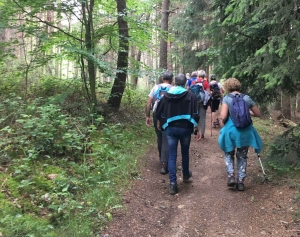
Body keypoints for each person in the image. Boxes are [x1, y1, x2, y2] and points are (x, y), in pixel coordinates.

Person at [155, 74, 199, 195]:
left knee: (172, 156)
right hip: (185, 128)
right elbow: (196, 113)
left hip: (171, 129)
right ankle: (185, 175)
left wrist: (161, 123)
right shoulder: (191, 95)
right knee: (185, 153)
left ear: (175, 82)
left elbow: (159, 112)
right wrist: (196, 128)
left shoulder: (166, 95)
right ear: (185, 83)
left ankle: (173, 184)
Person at [218, 78, 262, 191]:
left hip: (231, 131)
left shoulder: (227, 98)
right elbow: (258, 114)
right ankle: (241, 182)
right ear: (239, 86)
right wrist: (247, 112)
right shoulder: (246, 98)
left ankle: (231, 176)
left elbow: (223, 116)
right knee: (242, 155)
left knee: (229, 153)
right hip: (246, 131)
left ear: (227, 87)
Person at [145, 71, 173, 175]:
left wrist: (148, 116)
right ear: (171, 80)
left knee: (159, 136)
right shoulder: (172, 89)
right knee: (166, 136)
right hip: (168, 115)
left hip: (156, 114)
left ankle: (161, 158)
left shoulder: (155, 88)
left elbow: (148, 103)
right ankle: (164, 163)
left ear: (162, 79)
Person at [195, 70, 210, 140]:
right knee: (202, 117)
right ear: (204, 76)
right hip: (203, 102)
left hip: (195, 102)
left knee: (196, 116)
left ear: (198, 75)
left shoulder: (194, 82)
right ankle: (202, 133)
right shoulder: (206, 83)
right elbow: (208, 93)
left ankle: (196, 130)